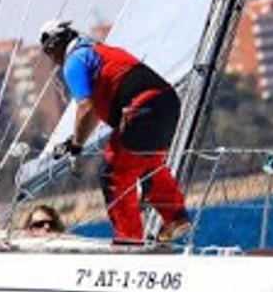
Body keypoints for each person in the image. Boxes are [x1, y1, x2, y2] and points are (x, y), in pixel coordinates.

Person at [39, 19, 191, 245]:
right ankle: (175, 217)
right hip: (167, 102)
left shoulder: (75, 61)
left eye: (50, 54)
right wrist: (74, 140)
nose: (53, 61)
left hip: (142, 108)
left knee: (114, 175)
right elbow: (97, 108)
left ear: (54, 45)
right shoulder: (99, 51)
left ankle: (128, 241)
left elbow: (85, 108)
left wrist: (77, 147)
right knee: (149, 164)